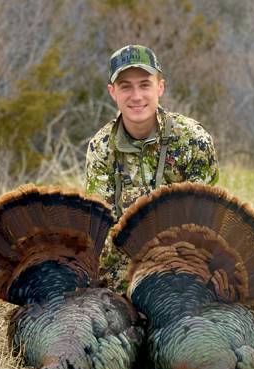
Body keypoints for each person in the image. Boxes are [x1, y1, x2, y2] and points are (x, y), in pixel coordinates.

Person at [85, 44, 219, 292]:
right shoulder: (101, 147)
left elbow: (203, 223)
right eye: (126, 86)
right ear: (113, 92)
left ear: (160, 87)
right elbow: (100, 233)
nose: (136, 96)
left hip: (185, 263)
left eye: (145, 85)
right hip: (124, 268)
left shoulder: (194, 139)